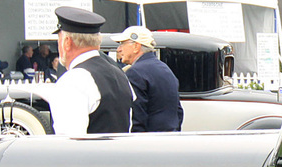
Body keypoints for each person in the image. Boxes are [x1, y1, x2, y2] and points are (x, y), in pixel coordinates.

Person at [46, 7, 135, 135]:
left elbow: (68, 144)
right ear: (97, 44)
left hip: (89, 155)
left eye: (59, 40)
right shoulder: (120, 75)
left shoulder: (73, 80)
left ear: (66, 42)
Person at [116, 25, 181, 132]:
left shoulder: (135, 72)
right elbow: (178, 111)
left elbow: (137, 115)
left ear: (136, 46)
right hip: (169, 138)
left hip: (148, 141)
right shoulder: (165, 69)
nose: (119, 49)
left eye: (122, 43)